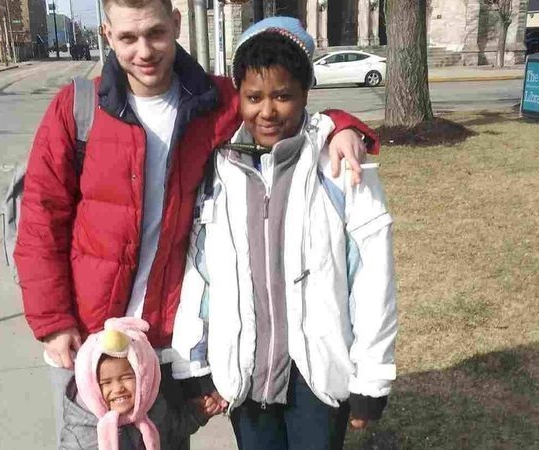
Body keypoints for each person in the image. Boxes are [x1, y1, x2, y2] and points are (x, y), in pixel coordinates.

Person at [13, 0, 380, 445]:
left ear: (176, 24)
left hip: (164, 342)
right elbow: (40, 219)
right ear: (107, 34)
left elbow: (281, 105)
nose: (144, 51)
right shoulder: (77, 109)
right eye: (128, 37)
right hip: (91, 341)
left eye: (155, 33)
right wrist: (54, 322)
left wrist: (342, 126)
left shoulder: (215, 103)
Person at [170, 17, 398, 450]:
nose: (267, 111)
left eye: (283, 96)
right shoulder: (220, 168)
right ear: (239, 94)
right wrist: (193, 360)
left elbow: (373, 278)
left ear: (306, 92)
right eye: (254, 97)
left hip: (316, 376)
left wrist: (372, 376)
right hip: (245, 373)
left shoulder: (340, 166)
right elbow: (200, 273)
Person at [61, 317, 210, 449]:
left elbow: (173, 429)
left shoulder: (153, 408)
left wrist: (198, 413)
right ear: (91, 388)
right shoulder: (81, 432)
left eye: (126, 377)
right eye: (106, 382)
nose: (118, 388)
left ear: (142, 377)